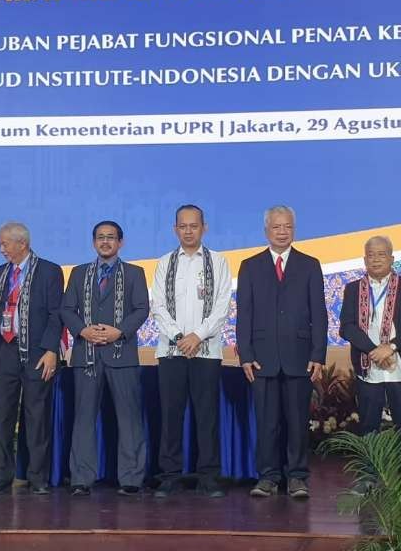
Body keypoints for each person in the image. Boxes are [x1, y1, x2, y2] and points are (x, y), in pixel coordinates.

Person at [235, 205, 327, 499]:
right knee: (267, 423)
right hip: (262, 359)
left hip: (300, 357)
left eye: (287, 226)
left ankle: (298, 477)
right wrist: (245, 355)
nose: (282, 232)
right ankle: (268, 477)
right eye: (277, 227)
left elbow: (320, 314)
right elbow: (244, 314)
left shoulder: (310, 264)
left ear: (294, 230)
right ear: (266, 231)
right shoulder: (250, 266)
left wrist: (318, 354)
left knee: (298, 422)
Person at [61, 220, 150, 496]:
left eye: (111, 237)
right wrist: (83, 330)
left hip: (121, 353)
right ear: (93, 242)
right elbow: (66, 310)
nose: (105, 242)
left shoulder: (135, 273)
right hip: (86, 355)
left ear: (120, 242)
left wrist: (118, 332)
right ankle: (81, 479)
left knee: (130, 419)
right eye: (100, 237)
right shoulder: (79, 273)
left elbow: (141, 309)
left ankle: (131, 479)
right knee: (84, 418)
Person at [150, 204, 232, 498]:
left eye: (193, 226)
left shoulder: (218, 262)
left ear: (204, 228)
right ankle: (169, 477)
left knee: (206, 417)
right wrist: (178, 336)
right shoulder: (164, 263)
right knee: (171, 417)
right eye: (182, 226)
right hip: (171, 352)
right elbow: (157, 305)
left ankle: (208, 477)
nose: (188, 231)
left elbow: (223, 306)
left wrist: (197, 335)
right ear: (175, 229)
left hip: (206, 352)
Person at [0, 222, 64, 496]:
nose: (1, 249)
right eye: (0, 244)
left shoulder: (49, 271)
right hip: (5, 351)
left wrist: (52, 350)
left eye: (5, 244)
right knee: (2, 416)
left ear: (22, 244)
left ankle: (37, 477)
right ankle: (0, 477)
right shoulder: (0, 273)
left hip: (37, 353)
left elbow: (56, 315)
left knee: (36, 416)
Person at [339, 236, 401, 438]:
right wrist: (373, 350)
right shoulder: (353, 289)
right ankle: (372, 470)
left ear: (391, 258)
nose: (376, 259)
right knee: (369, 427)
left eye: (381, 254)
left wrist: (391, 347)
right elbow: (347, 327)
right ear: (364, 260)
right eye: (371, 255)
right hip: (368, 367)